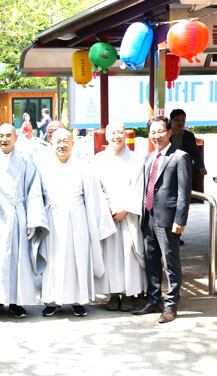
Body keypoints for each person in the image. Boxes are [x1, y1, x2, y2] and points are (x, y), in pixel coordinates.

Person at [0, 124, 46, 318]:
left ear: (16, 138)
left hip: (16, 215)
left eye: (8, 136)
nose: (4, 139)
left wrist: (33, 220)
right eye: (1, 136)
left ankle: (16, 301)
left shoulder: (26, 162)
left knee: (16, 261)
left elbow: (34, 193)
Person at [38, 128, 116, 317]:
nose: (62, 145)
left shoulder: (83, 167)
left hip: (77, 217)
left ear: (72, 143)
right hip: (52, 218)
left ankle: (78, 300)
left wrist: (101, 219)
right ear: (51, 145)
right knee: (54, 260)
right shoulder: (42, 167)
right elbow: (36, 197)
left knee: (77, 257)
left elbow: (94, 197)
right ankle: (52, 300)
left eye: (65, 141)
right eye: (58, 142)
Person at [132, 116, 191, 324]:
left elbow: (184, 192)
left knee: (170, 263)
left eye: (160, 131)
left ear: (168, 133)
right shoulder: (148, 158)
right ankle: (154, 300)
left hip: (168, 219)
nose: (156, 136)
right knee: (151, 260)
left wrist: (180, 219)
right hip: (149, 217)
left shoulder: (180, 157)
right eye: (153, 132)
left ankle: (171, 305)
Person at [92, 122, 146, 312]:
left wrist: (125, 208)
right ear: (106, 136)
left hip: (129, 214)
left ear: (126, 135)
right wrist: (108, 206)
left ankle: (129, 294)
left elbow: (138, 187)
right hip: (108, 215)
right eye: (113, 133)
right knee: (111, 254)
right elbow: (96, 188)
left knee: (129, 253)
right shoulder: (98, 160)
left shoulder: (136, 159)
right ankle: (113, 295)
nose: (117, 136)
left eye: (120, 132)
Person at [169, 108, 207, 176]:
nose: (181, 123)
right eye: (177, 120)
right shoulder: (166, 135)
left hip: (185, 169)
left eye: (183, 120)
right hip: (168, 169)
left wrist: (201, 166)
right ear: (172, 121)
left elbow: (195, 153)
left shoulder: (189, 136)